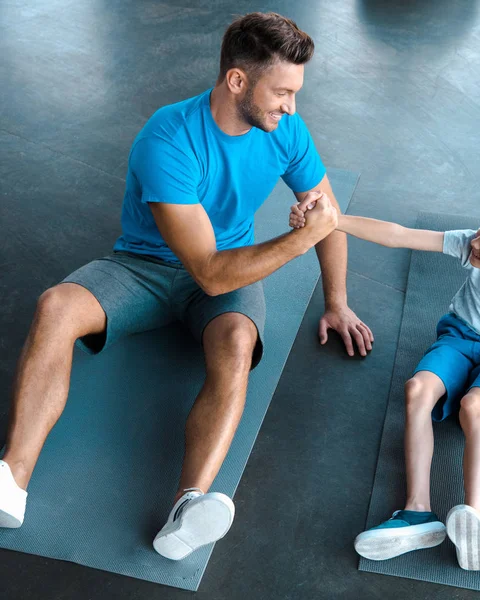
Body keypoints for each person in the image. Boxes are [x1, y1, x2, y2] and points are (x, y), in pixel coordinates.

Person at [0, 12, 373, 560]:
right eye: (283, 92)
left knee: (237, 345)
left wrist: (337, 301)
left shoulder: (286, 130)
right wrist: (297, 241)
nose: (291, 106)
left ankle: (187, 505)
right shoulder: (168, 137)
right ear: (237, 81)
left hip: (227, 275)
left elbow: (328, 216)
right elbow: (209, 271)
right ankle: (11, 479)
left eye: (296, 93)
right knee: (56, 306)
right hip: (146, 267)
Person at [290, 190, 480, 570]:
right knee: (416, 389)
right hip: (460, 336)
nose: (475, 243)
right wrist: (334, 220)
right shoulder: (475, 246)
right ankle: (417, 512)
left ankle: (473, 520)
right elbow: (399, 235)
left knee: (474, 406)